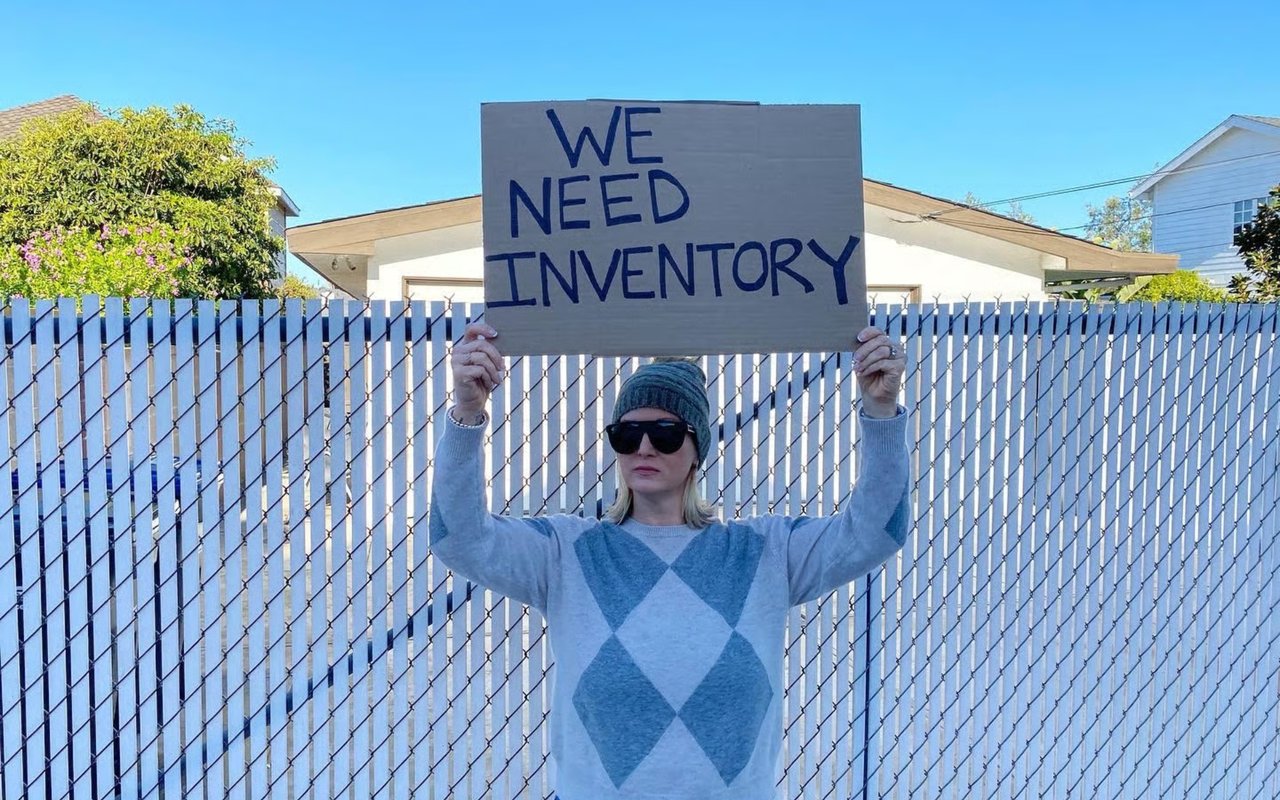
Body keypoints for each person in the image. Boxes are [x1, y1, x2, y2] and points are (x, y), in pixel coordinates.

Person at [429, 323, 910, 800]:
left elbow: (874, 532)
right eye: (626, 433)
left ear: (698, 446)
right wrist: (468, 413)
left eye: (664, 432)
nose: (643, 447)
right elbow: (459, 538)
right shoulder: (566, 552)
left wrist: (881, 410)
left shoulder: (766, 552)